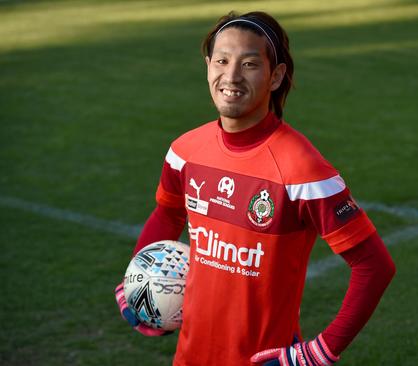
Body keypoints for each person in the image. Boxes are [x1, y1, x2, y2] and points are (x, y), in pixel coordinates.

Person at [114, 10, 396, 366]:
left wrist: (320, 351)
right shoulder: (184, 152)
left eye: (249, 64)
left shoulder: (302, 168)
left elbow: (374, 265)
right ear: (208, 65)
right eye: (222, 60)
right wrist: (136, 285)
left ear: (275, 76)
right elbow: (168, 214)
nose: (231, 75)